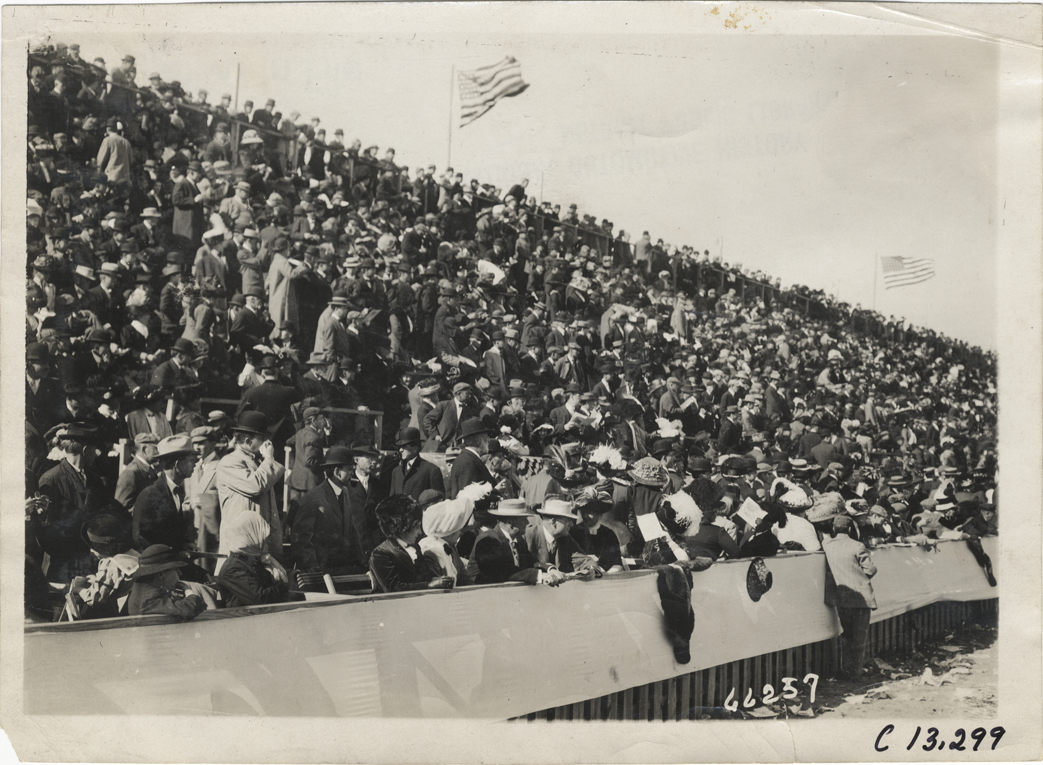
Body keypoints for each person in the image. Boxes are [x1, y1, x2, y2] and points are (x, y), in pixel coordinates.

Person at [215, 411, 285, 563]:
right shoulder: (229, 462)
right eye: (263, 438)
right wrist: (269, 458)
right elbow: (256, 486)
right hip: (239, 548)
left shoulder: (258, 462)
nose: (268, 443)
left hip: (257, 546)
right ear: (248, 440)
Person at [292, 446, 369, 575]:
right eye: (349, 469)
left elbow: (352, 531)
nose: (352, 473)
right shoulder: (313, 498)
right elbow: (302, 539)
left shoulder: (345, 493)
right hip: (321, 572)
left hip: (342, 569)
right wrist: (313, 568)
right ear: (337, 472)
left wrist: (361, 561)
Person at [821, 514, 878, 680]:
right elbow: (870, 570)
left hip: (841, 597)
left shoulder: (826, 544)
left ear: (833, 528)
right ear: (850, 528)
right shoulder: (857, 546)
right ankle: (855, 672)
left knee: (847, 635)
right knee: (859, 637)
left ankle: (846, 670)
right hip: (860, 597)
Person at [369, 495, 454, 593]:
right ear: (403, 527)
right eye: (416, 527)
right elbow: (392, 588)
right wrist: (429, 585)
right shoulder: (381, 553)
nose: (420, 532)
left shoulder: (415, 547)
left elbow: (423, 576)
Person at [472, 499, 564, 585]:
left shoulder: (519, 540)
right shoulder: (488, 540)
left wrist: (549, 569)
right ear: (509, 521)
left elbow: (530, 562)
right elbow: (501, 573)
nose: (527, 522)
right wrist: (538, 575)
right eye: (523, 518)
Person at [132, 434, 198, 552]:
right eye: (192, 460)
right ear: (177, 464)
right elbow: (142, 538)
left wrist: (183, 543)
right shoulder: (150, 495)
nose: (195, 464)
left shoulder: (178, 491)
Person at [217, 512, 292, 607]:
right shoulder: (232, 569)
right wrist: (283, 586)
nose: (268, 540)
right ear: (249, 536)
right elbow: (260, 599)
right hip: (243, 619)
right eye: (263, 536)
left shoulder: (254, 560)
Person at [127, 544, 208, 620]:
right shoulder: (149, 599)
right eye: (176, 569)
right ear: (161, 575)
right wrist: (188, 590)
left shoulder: (145, 589)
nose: (180, 573)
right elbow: (189, 609)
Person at [418, 493, 474, 586]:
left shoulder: (451, 547)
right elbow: (438, 585)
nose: (460, 533)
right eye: (457, 529)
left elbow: (464, 578)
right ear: (448, 531)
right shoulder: (430, 551)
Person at [389, 426, 445, 501]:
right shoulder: (396, 472)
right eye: (400, 447)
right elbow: (391, 501)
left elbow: (439, 501)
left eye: (404, 446)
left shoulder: (431, 470)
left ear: (415, 448)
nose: (400, 450)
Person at [447, 418, 495, 499]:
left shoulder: (467, 458)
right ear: (478, 440)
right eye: (486, 437)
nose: (489, 440)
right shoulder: (468, 462)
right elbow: (469, 499)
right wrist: (495, 491)